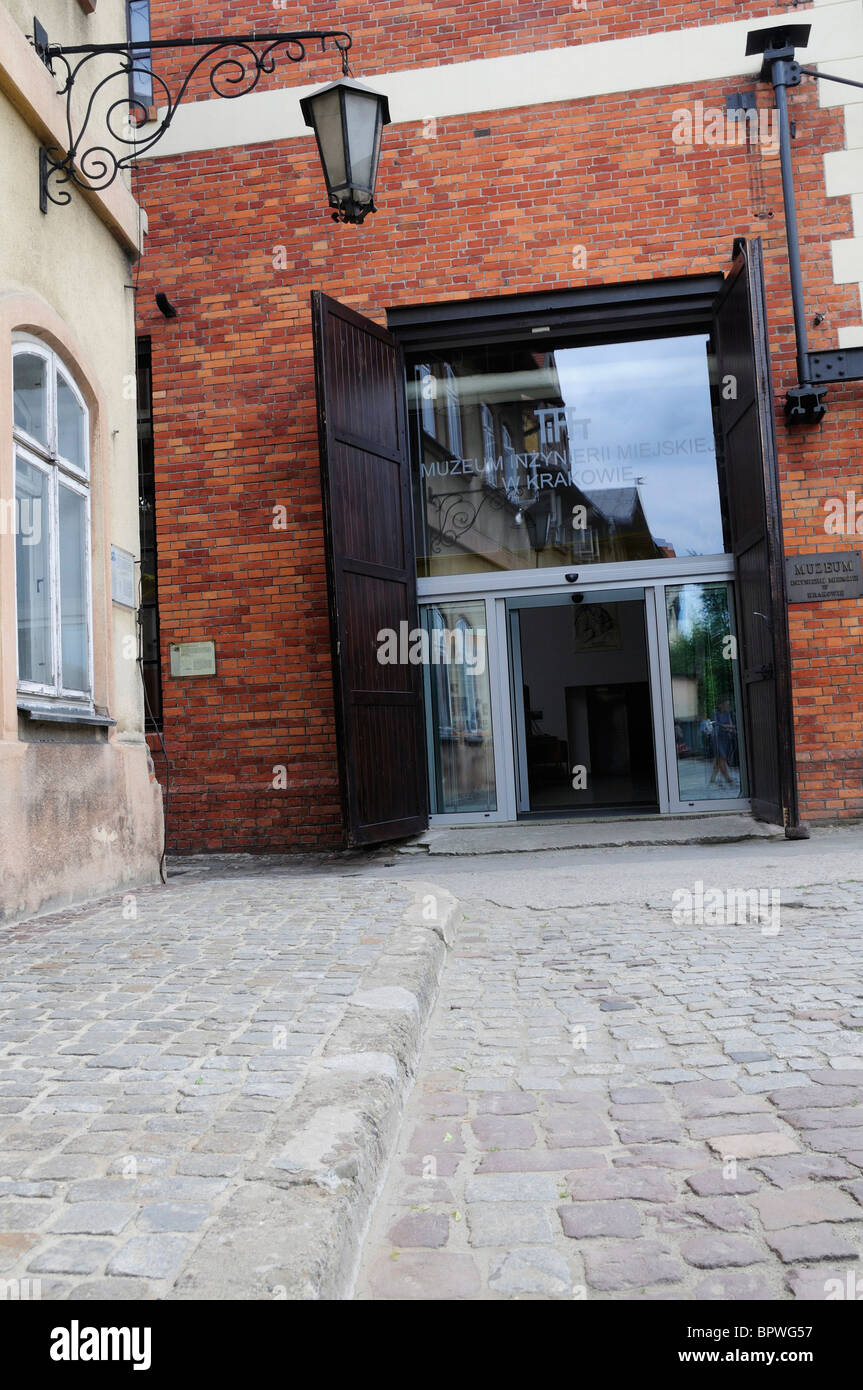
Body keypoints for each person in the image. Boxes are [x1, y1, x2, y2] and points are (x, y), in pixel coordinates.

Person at [710, 700, 736, 786]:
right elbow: (716, 724)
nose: (727, 706)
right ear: (720, 704)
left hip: (725, 737)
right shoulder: (715, 713)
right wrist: (727, 726)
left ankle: (712, 779)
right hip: (718, 737)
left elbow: (730, 725)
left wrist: (728, 727)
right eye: (726, 704)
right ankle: (727, 778)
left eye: (728, 704)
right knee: (722, 758)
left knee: (718, 759)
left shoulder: (727, 713)